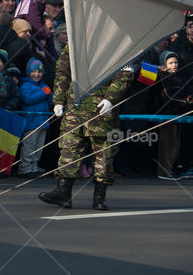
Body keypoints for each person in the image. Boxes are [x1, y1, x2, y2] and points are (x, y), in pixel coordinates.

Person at [38, 47, 133, 210]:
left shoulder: (114, 40)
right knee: (69, 148)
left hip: (101, 108)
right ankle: (63, 193)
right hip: (75, 107)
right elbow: (62, 72)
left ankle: (99, 198)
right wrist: (59, 100)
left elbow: (125, 73)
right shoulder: (75, 40)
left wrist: (111, 98)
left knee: (104, 153)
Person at [153, 51, 190, 180]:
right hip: (166, 115)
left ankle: (170, 169)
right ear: (164, 64)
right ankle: (163, 171)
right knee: (167, 144)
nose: (174, 65)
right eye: (171, 63)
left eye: (175, 62)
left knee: (175, 143)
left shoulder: (178, 77)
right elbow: (167, 96)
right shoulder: (162, 77)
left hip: (178, 114)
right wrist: (185, 102)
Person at [17, 59, 52, 177]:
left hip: (43, 121)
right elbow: (28, 99)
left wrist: (50, 95)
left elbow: (51, 102)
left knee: (39, 147)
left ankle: (34, 166)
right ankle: (25, 167)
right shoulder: (25, 85)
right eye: (34, 71)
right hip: (31, 121)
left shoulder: (44, 85)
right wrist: (44, 93)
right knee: (29, 146)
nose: (36, 74)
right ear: (28, 72)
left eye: (39, 72)